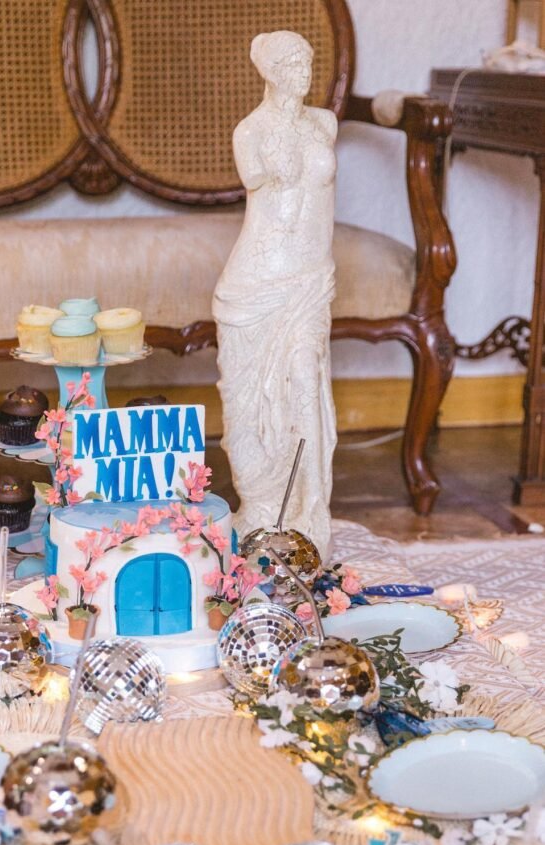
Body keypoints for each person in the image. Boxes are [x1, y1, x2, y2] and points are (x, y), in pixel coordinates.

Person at [214, 31, 337, 558]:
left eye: (306, 62)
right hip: (256, 282)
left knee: (306, 380)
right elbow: (258, 180)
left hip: (309, 281)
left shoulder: (325, 124)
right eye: (289, 64)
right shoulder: (251, 132)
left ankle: (312, 513)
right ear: (268, 71)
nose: (302, 73)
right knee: (247, 403)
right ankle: (262, 506)